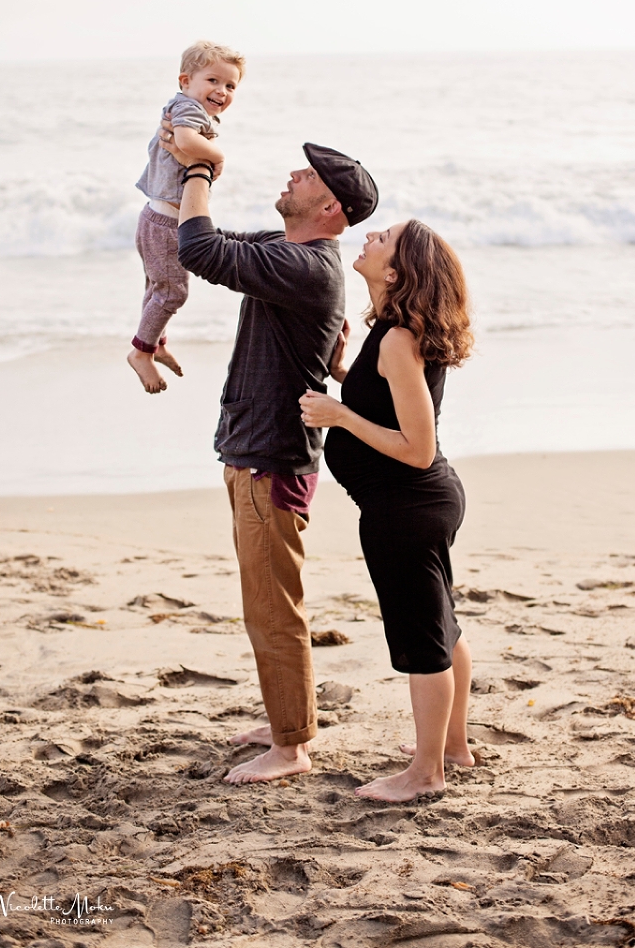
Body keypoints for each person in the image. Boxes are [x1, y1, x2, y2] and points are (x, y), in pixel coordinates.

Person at [165, 135, 378, 783]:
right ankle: (287, 718)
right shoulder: (286, 251)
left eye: (310, 175)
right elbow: (209, 239)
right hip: (254, 451)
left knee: (273, 605)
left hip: (272, 463)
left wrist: (201, 165)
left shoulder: (308, 268)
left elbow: (200, 249)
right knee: (263, 600)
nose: (293, 173)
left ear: (331, 210)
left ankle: (291, 747)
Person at [300, 219, 475, 802]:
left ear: (397, 272)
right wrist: (345, 374)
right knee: (441, 623)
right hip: (416, 506)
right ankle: (453, 747)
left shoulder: (400, 340)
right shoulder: (393, 333)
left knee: (422, 636)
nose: (370, 236)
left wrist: (339, 416)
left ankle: (426, 774)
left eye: (384, 238)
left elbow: (416, 449)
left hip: (407, 507)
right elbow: (391, 402)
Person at [127, 40, 246, 394]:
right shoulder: (189, 112)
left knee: (157, 287)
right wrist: (218, 156)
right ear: (185, 80)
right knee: (172, 292)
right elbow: (187, 142)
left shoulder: (186, 107)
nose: (221, 91)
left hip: (155, 217)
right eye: (212, 80)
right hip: (164, 223)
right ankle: (141, 353)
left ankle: (156, 341)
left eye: (230, 86)